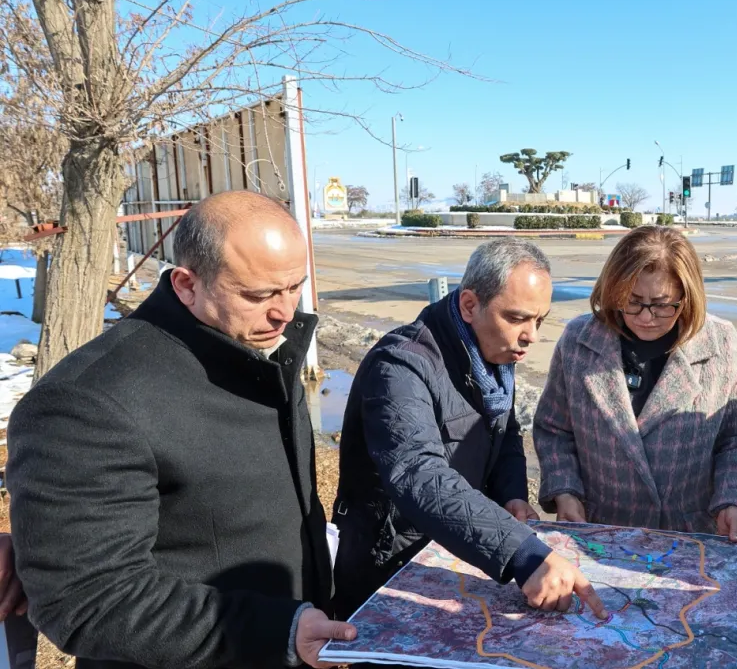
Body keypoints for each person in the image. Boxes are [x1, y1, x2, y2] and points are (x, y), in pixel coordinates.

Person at [7, 191, 352, 668]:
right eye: (258, 295)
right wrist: (278, 631)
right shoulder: (84, 402)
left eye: (295, 287)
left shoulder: (259, 349)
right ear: (187, 284)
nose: (286, 312)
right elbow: (87, 600)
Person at [332, 238, 606, 626]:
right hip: (391, 568)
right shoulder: (400, 365)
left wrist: (511, 495)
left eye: (540, 320)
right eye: (517, 318)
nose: (532, 336)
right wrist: (523, 554)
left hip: (457, 553)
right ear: (469, 305)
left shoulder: (493, 357)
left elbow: (504, 432)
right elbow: (420, 475)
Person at [533, 225, 737, 538]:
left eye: (661, 304)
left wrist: (733, 500)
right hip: (600, 532)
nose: (645, 317)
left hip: (689, 538)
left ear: (687, 296)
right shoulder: (579, 341)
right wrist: (565, 491)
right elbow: (554, 429)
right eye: (632, 301)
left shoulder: (721, 344)